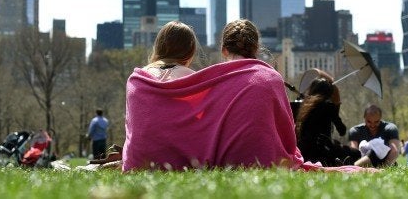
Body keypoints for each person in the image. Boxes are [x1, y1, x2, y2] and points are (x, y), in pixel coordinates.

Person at [122, 19, 378, 173]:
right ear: (256, 48)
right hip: (262, 160)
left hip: (141, 161)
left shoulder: (140, 80)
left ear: (223, 50)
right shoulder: (268, 78)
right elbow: (288, 136)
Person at [295, 77, 357, 166]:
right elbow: (342, 131)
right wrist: (337, 106)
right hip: (324, 150)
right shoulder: (329, 106)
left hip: (304, 151)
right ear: (329, 93)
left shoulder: (303, 106)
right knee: (356, 153)